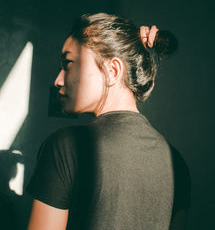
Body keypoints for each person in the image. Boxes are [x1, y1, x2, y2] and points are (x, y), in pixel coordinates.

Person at [26, 13, 190, 229]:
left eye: (68, 64)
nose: (58, 80)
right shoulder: (176, 162)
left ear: (112, 71)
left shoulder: (65, 147)